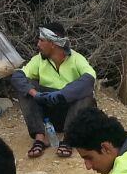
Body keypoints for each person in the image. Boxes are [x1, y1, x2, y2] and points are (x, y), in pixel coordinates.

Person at [9, 23, 96, 160]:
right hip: (49, 114)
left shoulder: (76, 58)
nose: (38, 44)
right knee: (26, 86)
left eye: (41, 40)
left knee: (86, 94)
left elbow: (90, 79)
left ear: (53, 43)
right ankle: (40, 138)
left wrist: (62, 94)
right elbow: (18, 76)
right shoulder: (39, 59)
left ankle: (68, 139)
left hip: (71, 112)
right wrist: (35, 94)